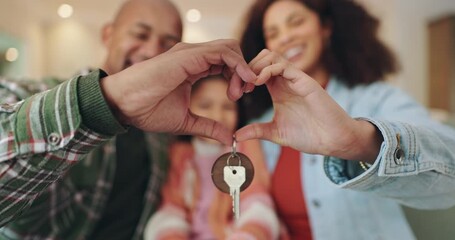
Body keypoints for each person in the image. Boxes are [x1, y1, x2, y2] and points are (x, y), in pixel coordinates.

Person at [0, 0, 256, 239]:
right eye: (140, 35)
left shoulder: (165, 134)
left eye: (168, 45)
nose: (152, 52)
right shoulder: (27, 93)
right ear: (108, 35)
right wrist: (107, 100)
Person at [236, 0, 455, 239]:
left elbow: (449, 172)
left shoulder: (376, 98)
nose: (286, 37)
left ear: (326, 27)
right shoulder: (266, 126)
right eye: (273, 33)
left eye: (296, 22)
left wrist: (360, 141)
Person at [143, 75, 279, 240]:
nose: (217, 116)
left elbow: (256, 201)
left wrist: (248, 234)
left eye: (228, 107)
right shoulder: (179, 154)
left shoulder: (245, 148)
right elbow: (172, 208)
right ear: (186, 108)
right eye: (205, 106)